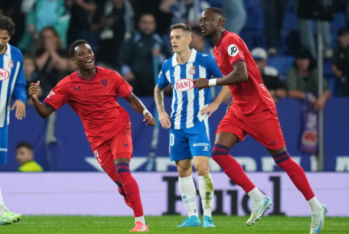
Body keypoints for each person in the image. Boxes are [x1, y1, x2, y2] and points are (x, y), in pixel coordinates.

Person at [195, 8, 328, 234]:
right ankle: (258, 198)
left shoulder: (231, 41)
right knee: (218, 152)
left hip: (260, 109)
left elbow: (242, 74)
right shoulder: (217, 48)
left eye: (207, 20)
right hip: (239, 108)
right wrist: (234, 98)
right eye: (201, 20)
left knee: (282, 159)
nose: (202, 23)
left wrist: (209, 82)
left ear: (220, 23)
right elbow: (236, 81)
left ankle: (316, 207)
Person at [29, 39, 155, 232]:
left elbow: (131, 97)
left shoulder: (111, 76)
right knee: (121, 181)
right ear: (74, 60)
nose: (87, 55)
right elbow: (45, 112)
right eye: (81, 54)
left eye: (89, 52)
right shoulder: (68, 84)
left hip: (119, 127)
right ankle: (124, 189)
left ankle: (141, 222)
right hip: (97, 139)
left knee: (123, 170)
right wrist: (35, 99)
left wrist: (145, 112)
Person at [154, 23, 230, 228]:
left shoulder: (204, 61)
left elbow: (229, 80)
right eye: (171, 37)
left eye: (178, 37)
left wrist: (215, 103)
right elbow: (158, 88)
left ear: (189, 39)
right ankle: (193, 216)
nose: (173, 41)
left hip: (198, 124)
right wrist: (161, 111)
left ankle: (208, 217)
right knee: (183, 170)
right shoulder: (168, 65)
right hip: (176, 126)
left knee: (202, 168)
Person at [0, 15, 24, 225]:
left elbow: (19, 83)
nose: (0, 42)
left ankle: (1, 211)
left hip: (1, 120)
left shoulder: (15, 55)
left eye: (4, 38)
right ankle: (1, 211)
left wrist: (22, 99)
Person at [120, 13, 170, 96]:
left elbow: (170, 63)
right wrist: (126, 72)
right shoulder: (132, 41)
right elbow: (122, 59)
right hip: (136, 80)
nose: (147, 26)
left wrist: (159, 56)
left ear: (154, 25)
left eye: (150, 23)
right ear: (139, 24)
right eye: (144, 23)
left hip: (155, 81)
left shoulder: (159, 41)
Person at [331, 28, 349, 97]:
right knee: (344, 83)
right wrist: (338, 73)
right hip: (343, 75)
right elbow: (333, 65)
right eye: (344, 37)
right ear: (338, 38)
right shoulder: (336, 51)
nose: (346, 39)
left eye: (347, 37)